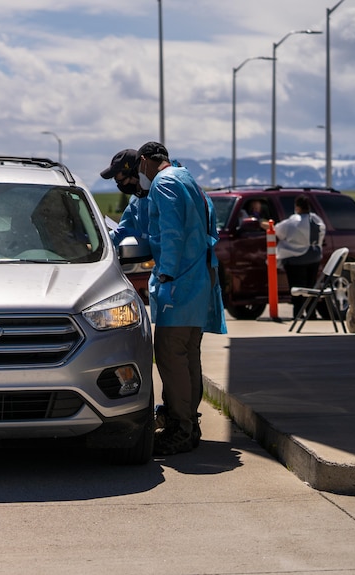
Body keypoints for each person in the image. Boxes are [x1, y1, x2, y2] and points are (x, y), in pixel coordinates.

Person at [137, 141, 227, 456]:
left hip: (179, 283)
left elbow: (171, 231)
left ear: (146, 161)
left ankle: (180, 427)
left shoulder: (164, 183)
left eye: (139, 167)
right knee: (189, 355)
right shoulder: (188, 178)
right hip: (198, 281)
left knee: (169, 355)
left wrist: (167, 274)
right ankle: (190, 421)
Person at [271, 195, 326, 318]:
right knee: (311, 286)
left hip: (295, 259)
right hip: (314, 256)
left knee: (296, 287)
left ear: (297, 207)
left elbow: (279, 231)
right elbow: (322, 232)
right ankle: (311, 313)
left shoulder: (293, 221)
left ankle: (298, 313)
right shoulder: (317, 220)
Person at [100, 148, 149, 248]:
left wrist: (142, 236)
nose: (120, 186)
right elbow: (120, 232)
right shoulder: (135, 201)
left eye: (121, 181)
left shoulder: (161, 195)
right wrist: (98, 241)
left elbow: (168, 238)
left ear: (135, 173)